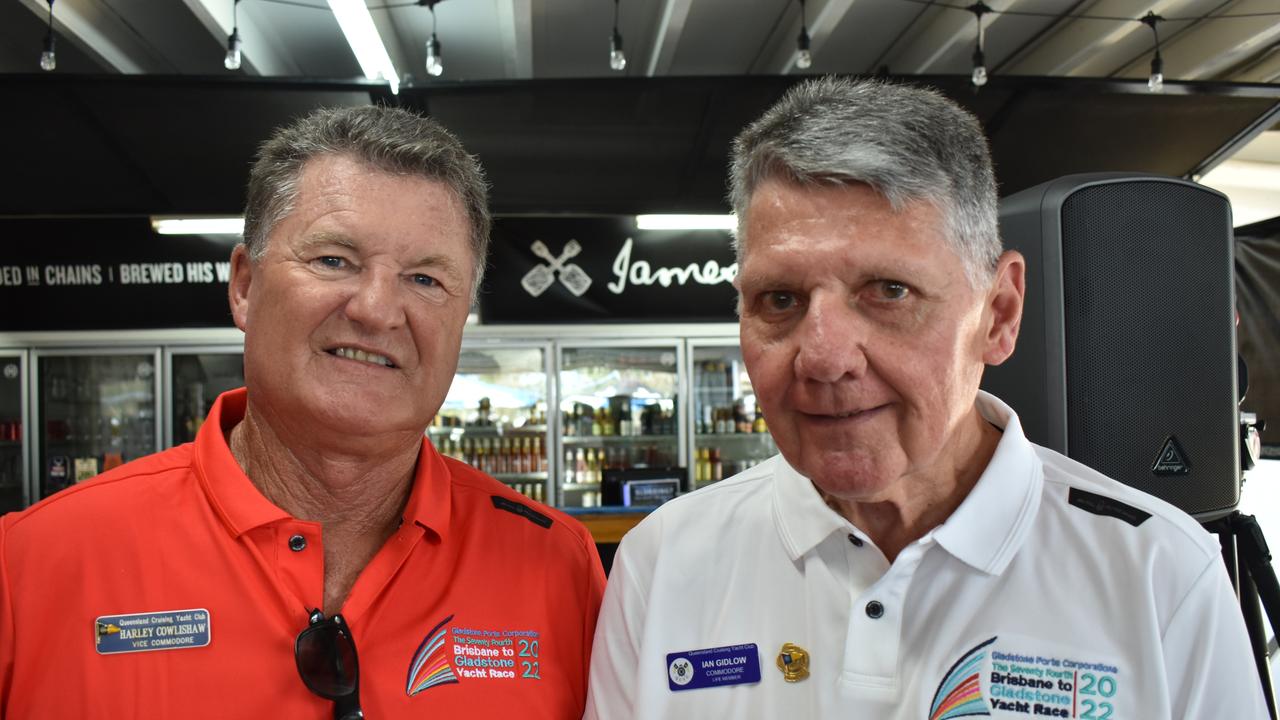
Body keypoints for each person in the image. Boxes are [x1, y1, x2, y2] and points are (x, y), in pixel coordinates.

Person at [585, 77, 1269, 719]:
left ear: (999, 314)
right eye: (780, 299)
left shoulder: (1160, 578)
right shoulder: (664, 562)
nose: (823, 358)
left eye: (889, 291)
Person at [0, 106, 605, 719]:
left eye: (424, 279)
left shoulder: (561, 570)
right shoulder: (31, 568)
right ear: (244, 286)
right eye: (333, 260)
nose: (376, 310)